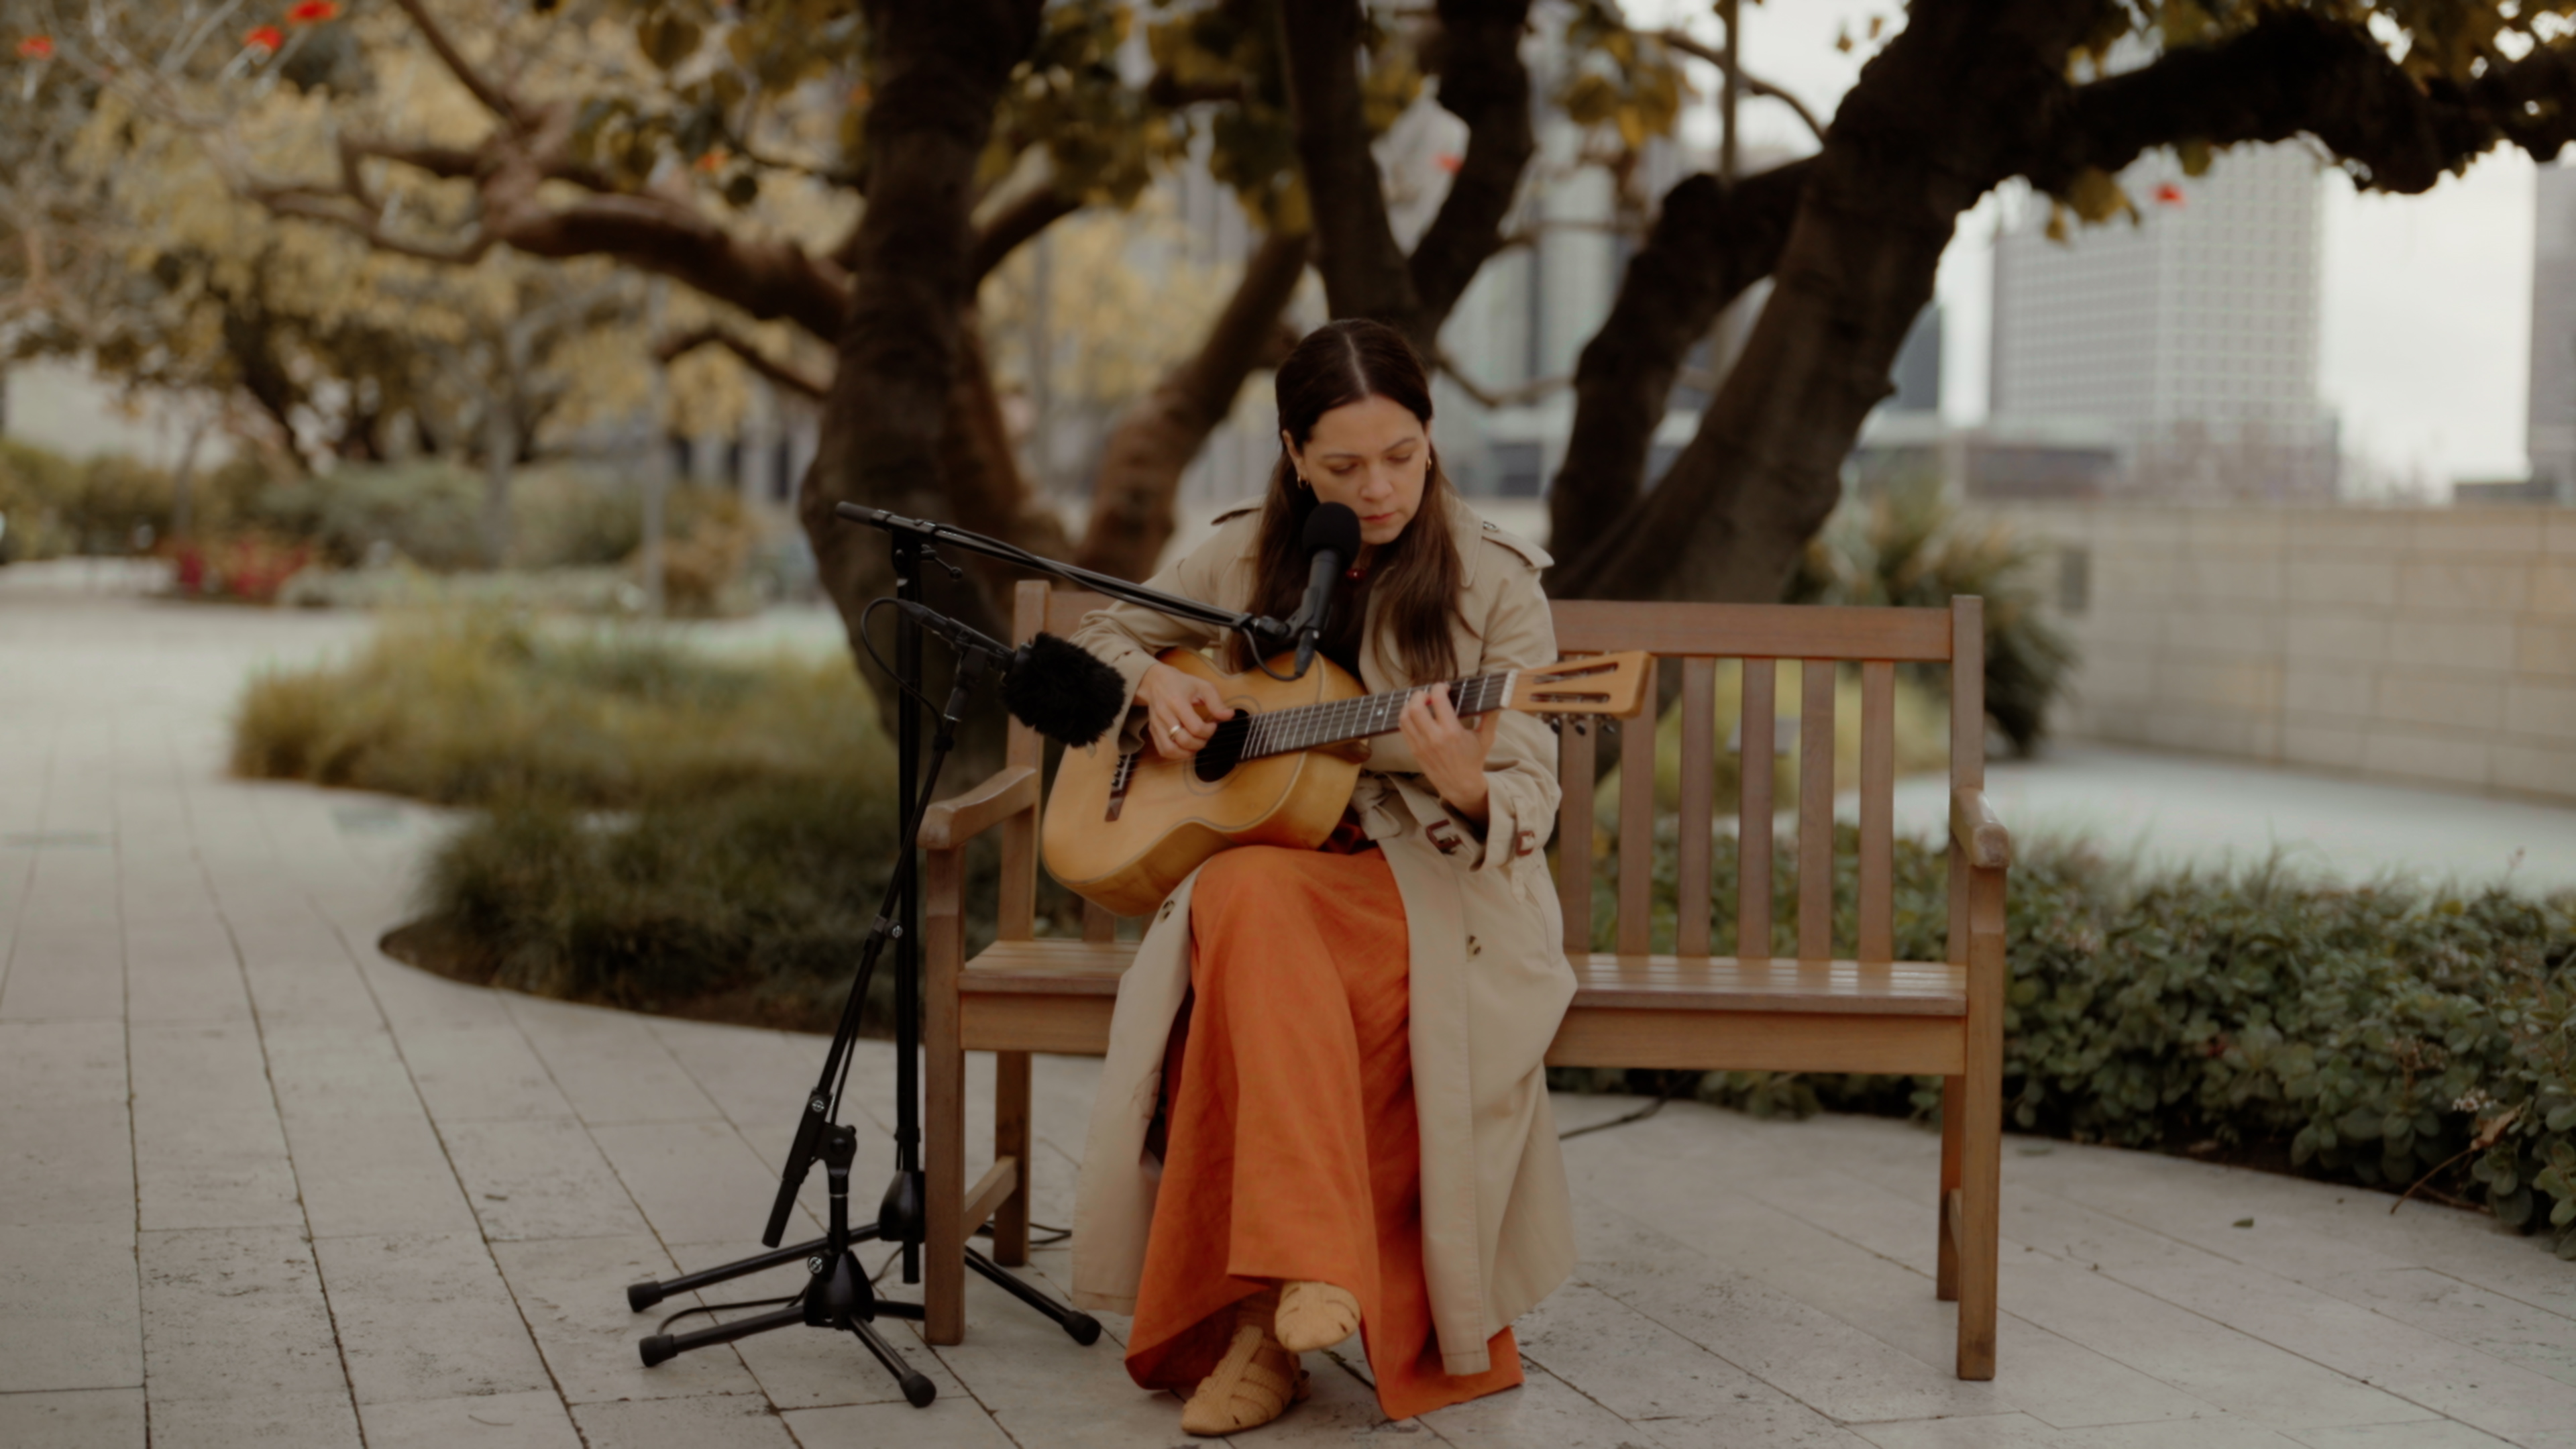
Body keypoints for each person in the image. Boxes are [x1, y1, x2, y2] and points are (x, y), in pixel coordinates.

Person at [1065, 319, 1578, 1435]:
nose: (1378, 488)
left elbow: (1530, 792)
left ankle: (1261, 1331)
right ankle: (1301, 1277)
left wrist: (1469, 784)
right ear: (1295, 455)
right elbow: (1098, 633)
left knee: (1254, 936)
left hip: (1437, 888)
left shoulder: (1494, 580)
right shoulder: (1244, 556)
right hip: (1286, 876)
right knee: (1244, 899)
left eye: (1401, 456)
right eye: (1344, 466)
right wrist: (1154, 686)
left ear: (1431, 436)